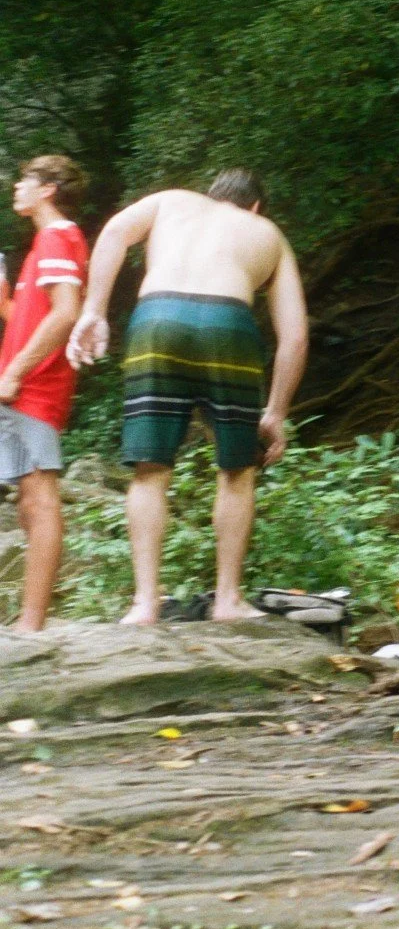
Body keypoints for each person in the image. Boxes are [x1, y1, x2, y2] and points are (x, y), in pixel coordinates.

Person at [66, 169, 309, 625]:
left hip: (157, 318)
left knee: (149, 469)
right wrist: (275, 413)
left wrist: (94, 311)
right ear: (255, 206)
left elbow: (115, 231)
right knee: (237, 472)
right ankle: (228, 600)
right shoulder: (267, 233)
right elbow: (294, 338)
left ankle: (143, 604)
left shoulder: (171, 201)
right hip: (229, 325)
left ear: (211, 195)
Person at [0, 156, 89, 633]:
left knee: (40, 501)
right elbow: (35, 317)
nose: (17, 186)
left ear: (48, 189)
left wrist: (14, 371)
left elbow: (66, 313)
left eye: (26, 180)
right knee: (26, 502)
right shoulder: (46, 243)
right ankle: (29, 620)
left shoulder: (57, 237)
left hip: (33, 389)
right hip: (21, 390)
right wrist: (6, 303)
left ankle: (32, 624)